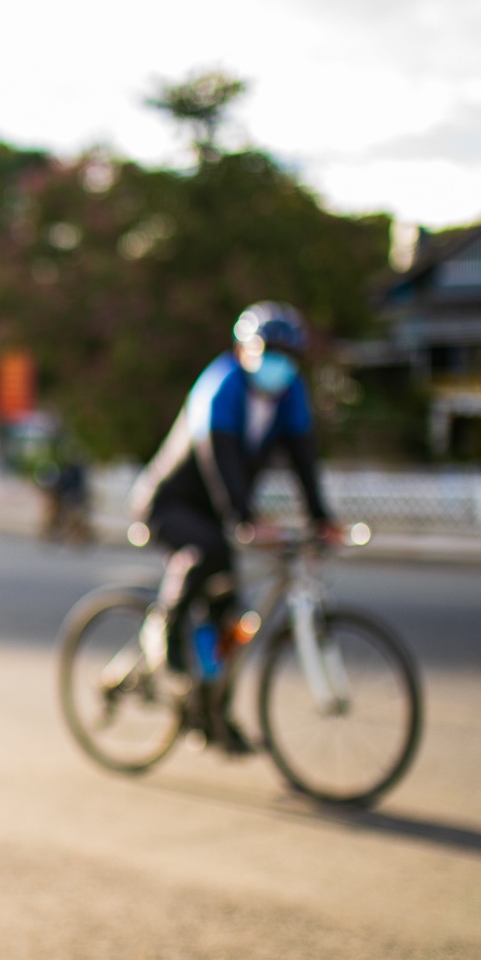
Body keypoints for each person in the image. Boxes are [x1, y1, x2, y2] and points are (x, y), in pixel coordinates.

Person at [126, 301, 338, 743]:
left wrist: (322, 519)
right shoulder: (220, 387)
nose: (280, 365)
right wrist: (245, 519)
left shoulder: (290, 394)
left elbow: (304, 459)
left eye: (289, 356)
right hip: (170, 503)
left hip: (218, 511)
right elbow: (217, 459)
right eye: (269, 352)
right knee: (207, 552)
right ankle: (164, 636)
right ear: (244, 351)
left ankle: (212, 715)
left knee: (232, 621)